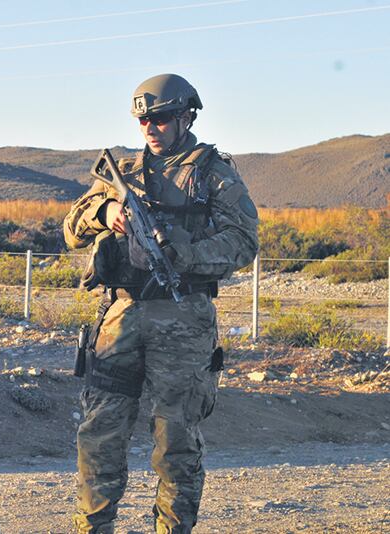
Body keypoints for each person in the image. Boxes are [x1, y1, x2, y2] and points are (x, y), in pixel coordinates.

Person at [63, 73, 258, 533]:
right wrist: (105, 213)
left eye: (162, 118)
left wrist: (184, 252)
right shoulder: (121, 174)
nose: (151, 127)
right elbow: (72, 228)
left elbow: (243, 242)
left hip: (184, 318)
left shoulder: (212, 172)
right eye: (144, 119)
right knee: (99, 437)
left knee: (176, 443)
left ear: (186, 115)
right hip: (120, 317)